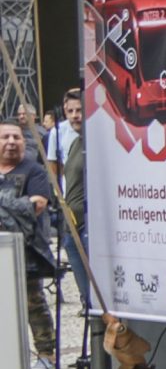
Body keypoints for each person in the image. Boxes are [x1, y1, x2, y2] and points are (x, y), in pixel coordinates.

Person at [0, 116, 57, 355]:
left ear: (24, 142)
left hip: (27, 250)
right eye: (5, 137)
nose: (11, 142)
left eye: (17, 137)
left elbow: (37, 205)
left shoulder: (35, 171)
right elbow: (23, 205)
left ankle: (46, 352)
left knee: (34, 304)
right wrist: (16, 203)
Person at [50, 89, 89, 317]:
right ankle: (87, 302)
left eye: (80, 111)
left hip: (87, 222)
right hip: (72, 221)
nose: (75, 116)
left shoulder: (93, 143)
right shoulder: (76, 143)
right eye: (71, 111)